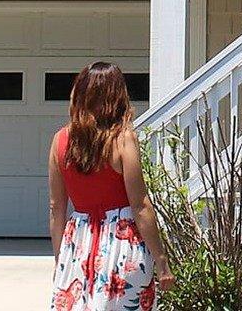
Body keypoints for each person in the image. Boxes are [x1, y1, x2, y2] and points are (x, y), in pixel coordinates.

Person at [48, 61, 174, 310]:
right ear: (117, 96)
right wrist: (162, 261)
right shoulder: (123, 139)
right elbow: (140, 206)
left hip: (78, 242)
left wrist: (61, 260)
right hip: (122, 243)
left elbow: (56, 208)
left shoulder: (60, 140)